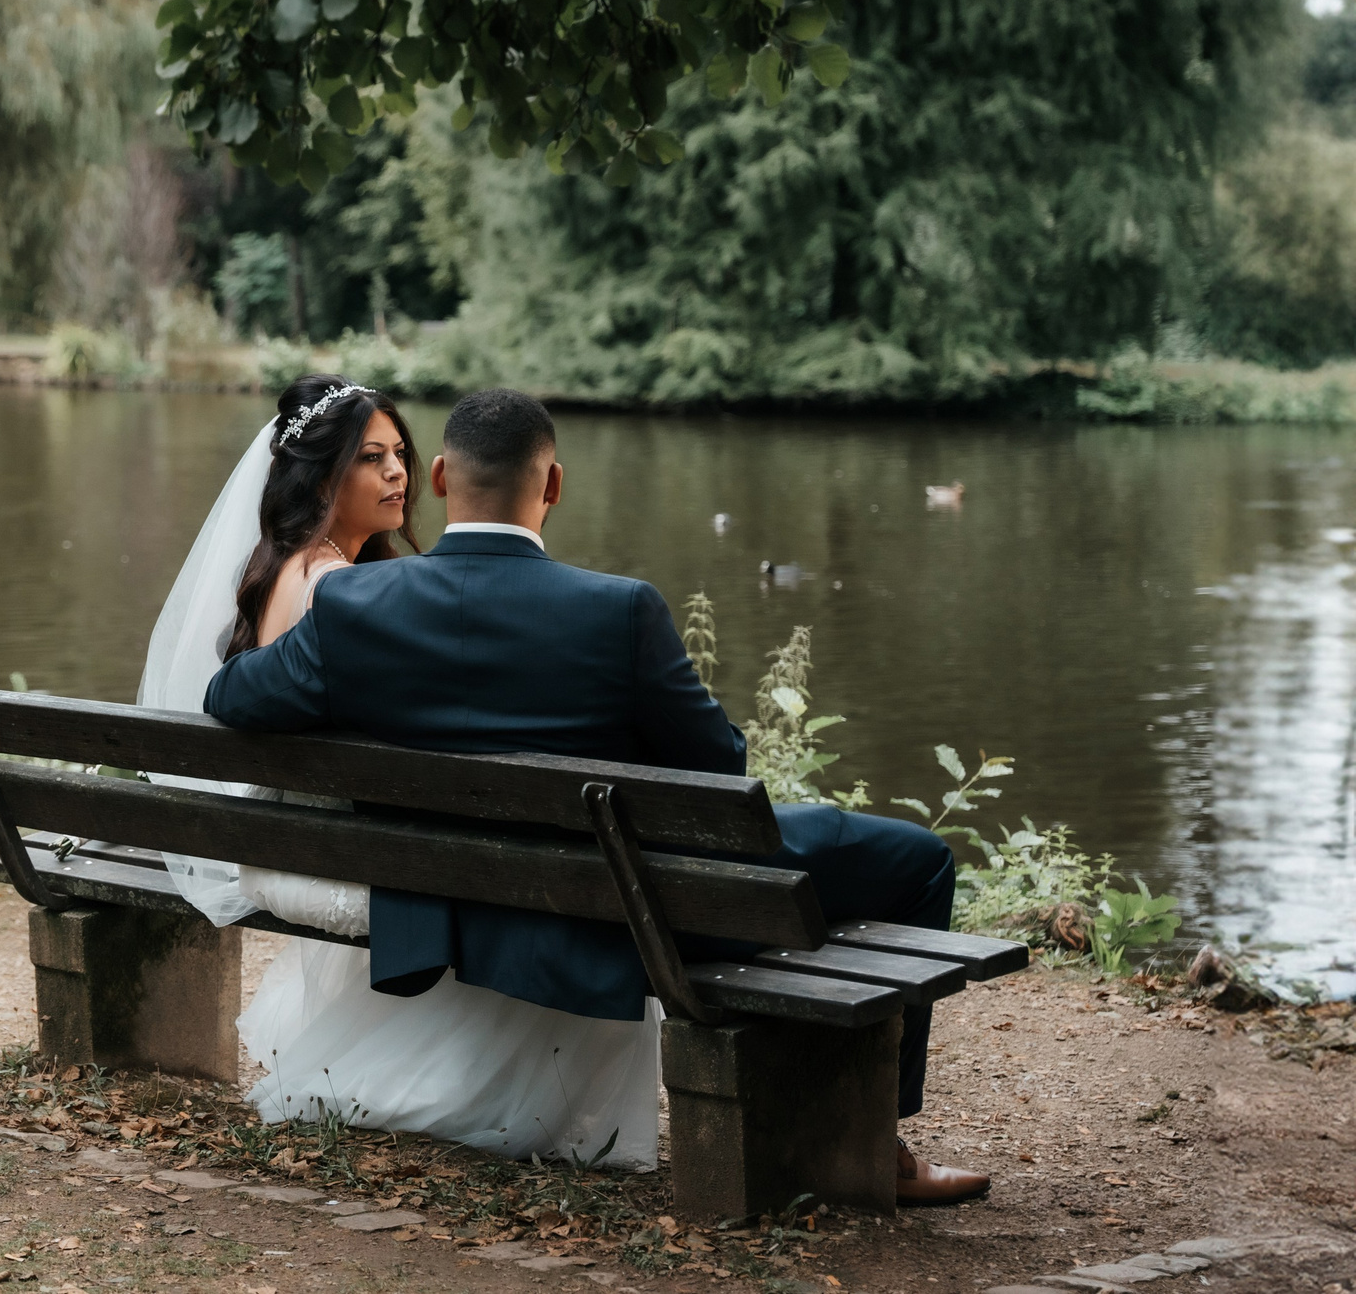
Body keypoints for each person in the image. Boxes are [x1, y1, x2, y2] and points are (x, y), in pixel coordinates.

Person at [201, 386, 990, 1204]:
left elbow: (232, 698)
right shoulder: (620, 610)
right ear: (553, 486)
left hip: (448, 895)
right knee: (920, 860)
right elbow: (719, 773)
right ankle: (874, 1137)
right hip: (623, 901)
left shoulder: (354, 603)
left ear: (438, 477)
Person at [135, 375, 663, 1168]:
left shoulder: (291, 570)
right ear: (320, 477)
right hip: (342, 856)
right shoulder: (340, 588)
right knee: (513, 880)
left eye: (402, 455)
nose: (397, 474)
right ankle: (471, 1096)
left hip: (302, 838)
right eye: (371, 458)